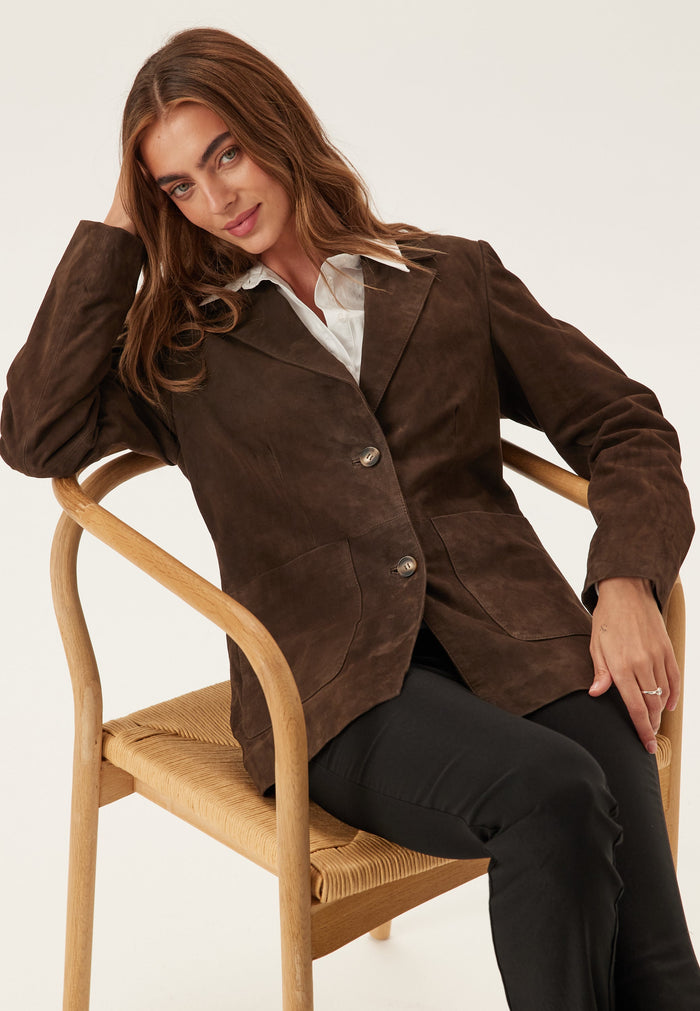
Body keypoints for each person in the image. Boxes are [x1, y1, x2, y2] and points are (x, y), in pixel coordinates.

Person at [1, 26, 698, 1011]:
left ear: (277, 127)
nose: (217, 198)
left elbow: (623, 423)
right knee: (552, 791)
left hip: (522, 639)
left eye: (226, 154)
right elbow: (36, 433)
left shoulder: (452, 277)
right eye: (178, 186)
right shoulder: (181, 347)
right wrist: (122, 222)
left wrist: (625, 580)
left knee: (658, 961)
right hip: (331, 688)